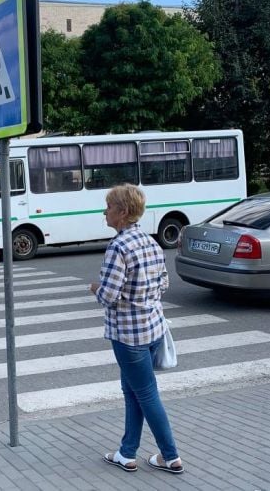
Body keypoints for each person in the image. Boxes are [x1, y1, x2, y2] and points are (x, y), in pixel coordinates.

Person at [90, 184, 183, 475]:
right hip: (153, 329)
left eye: (109, 207)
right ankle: (126, 452)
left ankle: (171, 456)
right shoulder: (150, 241)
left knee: (146, 394)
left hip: (128, 336)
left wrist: (95, 287)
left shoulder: (118, 246)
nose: (104, 211)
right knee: (132, 391)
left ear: (123, 213)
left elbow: (109, 295)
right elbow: (164, 284)